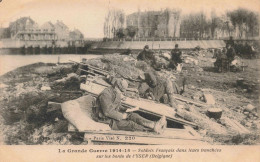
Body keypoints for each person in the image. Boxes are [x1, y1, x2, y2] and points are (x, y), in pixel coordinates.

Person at [93, 78, 167, 134]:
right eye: (121, 91)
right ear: (116, 87)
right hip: (105, 119)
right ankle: (151, 130)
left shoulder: (115, 92)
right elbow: (107, 112)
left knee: (134, 115)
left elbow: (117, 105)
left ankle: (154, 124)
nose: (122, 93)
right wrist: (122, 116)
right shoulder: (106, 94)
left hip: (113, 115)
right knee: (131, 124)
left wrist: (126, 109)